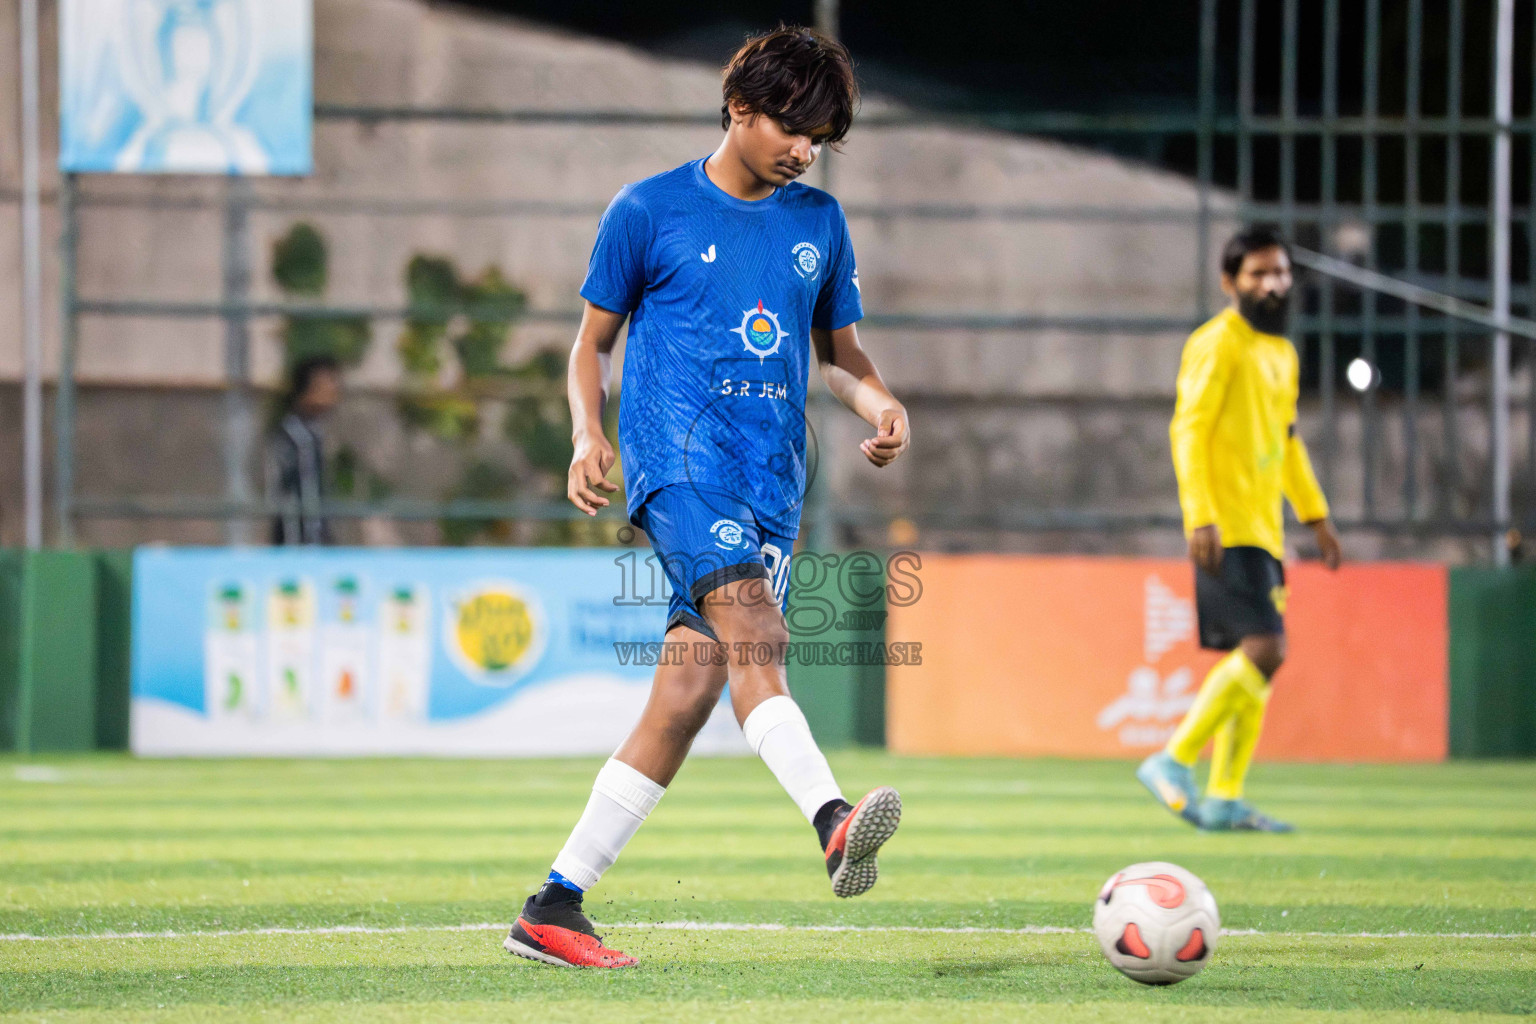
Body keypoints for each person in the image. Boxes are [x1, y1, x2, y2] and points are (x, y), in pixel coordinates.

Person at [503, 26, 911, 969]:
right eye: (795, 127)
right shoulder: (649, 210)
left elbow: (838, 361)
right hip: (678, 470)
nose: (806, 150)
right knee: (758, 635)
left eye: (821, 137)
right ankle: (833, 819)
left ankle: (553, 905)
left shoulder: (819, 223)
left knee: (685, 696)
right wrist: (587, 431)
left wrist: (879, 397)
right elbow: (588, 344)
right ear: (740, 107)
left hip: (773, 486)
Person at [1136, 226, 1343, 833]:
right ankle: (1172, 759)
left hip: (1265, 528)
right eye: (1258, 274)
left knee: (1256, 661)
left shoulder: (1281, 352)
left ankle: (1225, 796)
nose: (1273, 283)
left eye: (1279, 272)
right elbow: (1188, 429)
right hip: (1225, 526)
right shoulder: (1217, 343)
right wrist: (1199, 513)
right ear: (1231, 282)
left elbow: (1287, 440)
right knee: (1265, 649)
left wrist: (1316, 515)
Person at [267, 355, 342, 545]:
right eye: (327, 383)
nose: (334, 390)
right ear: (307, 388)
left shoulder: (314, 432)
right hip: (300, 546)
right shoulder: (297, 436)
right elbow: (300, 495)